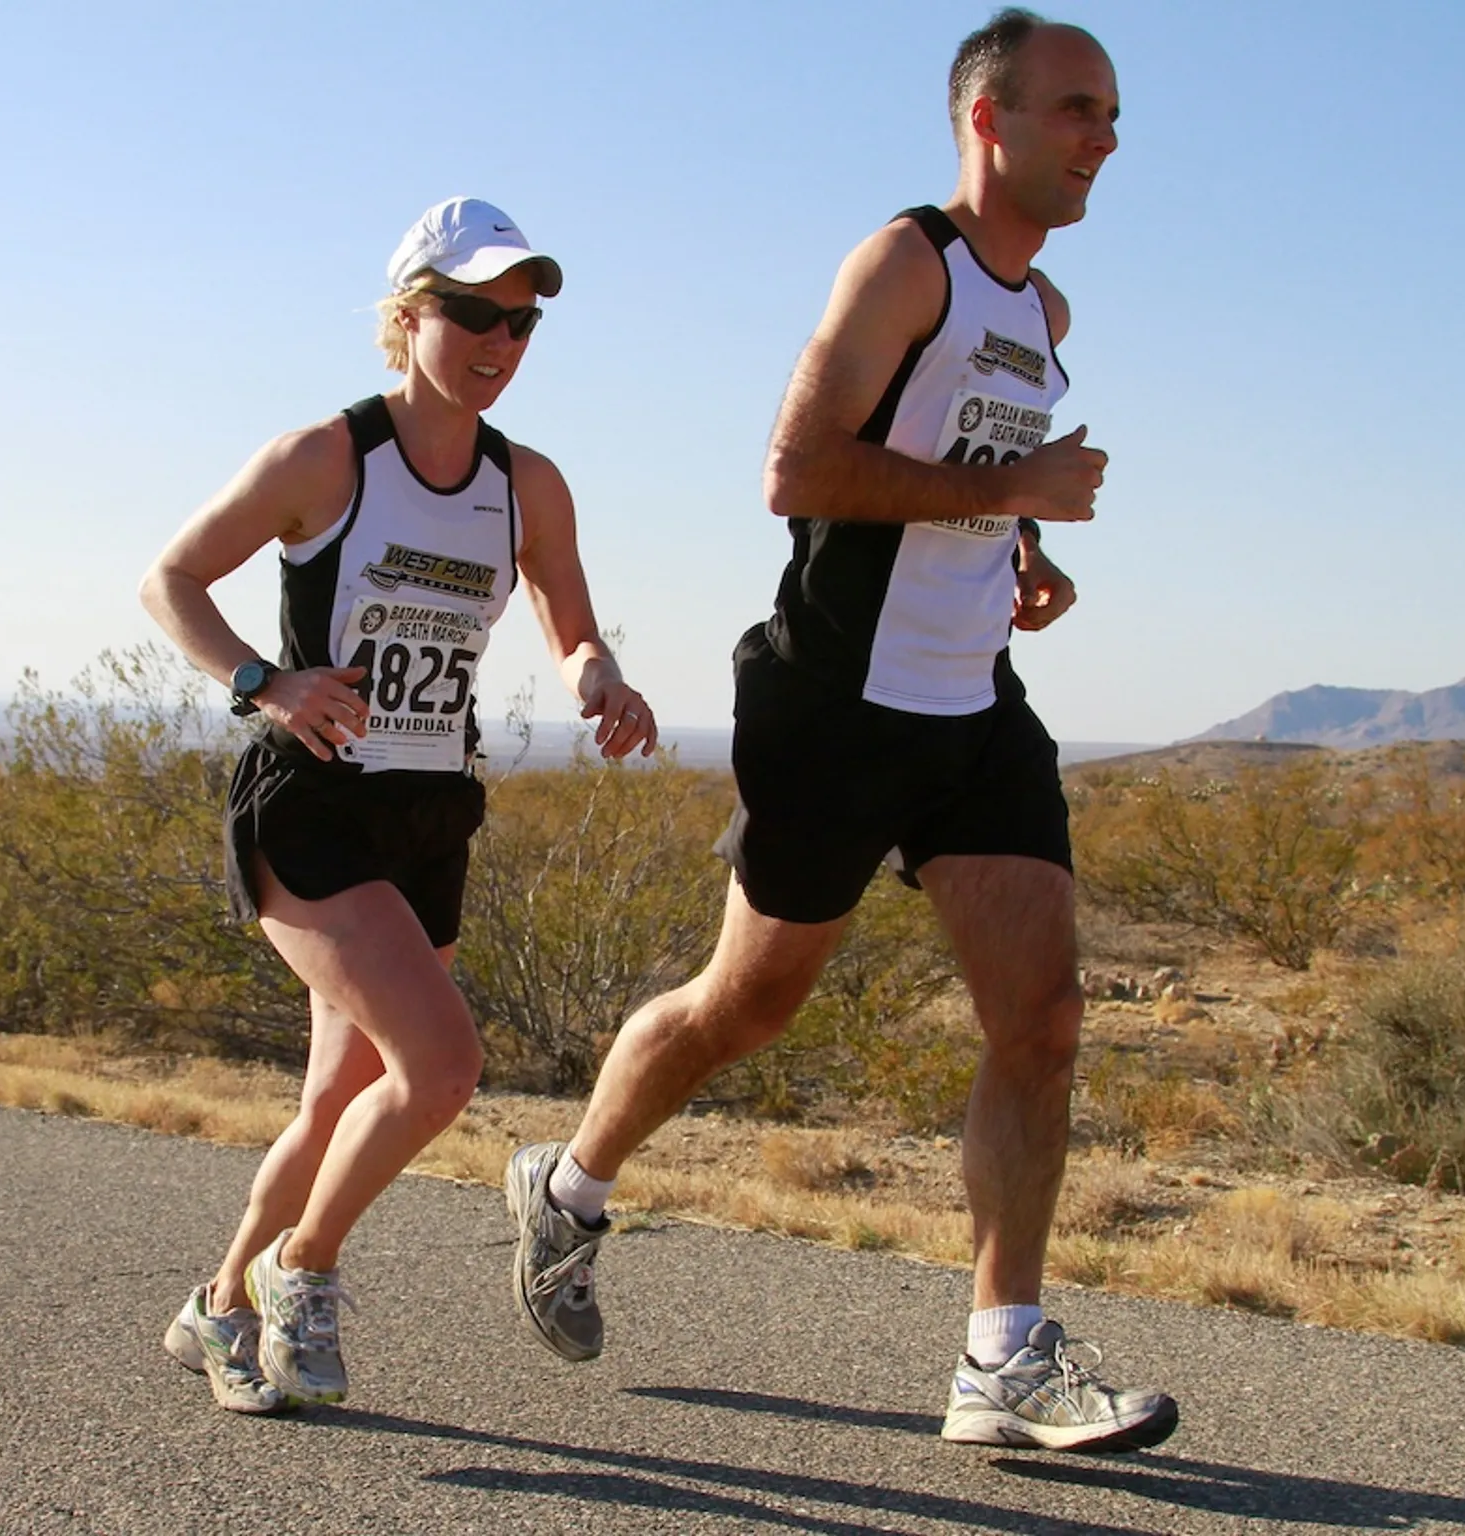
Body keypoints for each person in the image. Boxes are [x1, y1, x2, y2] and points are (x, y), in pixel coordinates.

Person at [505, 10, 1178, 1452]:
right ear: (987, 121)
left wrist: (1021, 552)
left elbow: (970, 477)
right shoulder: (907, 265)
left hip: (971, 710)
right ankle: (567, 1184)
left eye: (1113, 115)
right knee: (745, 1006)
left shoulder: (1045, 313)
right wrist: (1020, 493)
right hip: (834, 707)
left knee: (1045, 1019)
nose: (1105, 138)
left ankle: (1004, 1358)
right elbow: (797, 471)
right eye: (1078, 109)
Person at [143, 196, 657, 1413]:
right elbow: (171, 580)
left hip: (429, 814)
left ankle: (217, 1307)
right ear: (409, 312)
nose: (501, 340)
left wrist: (601, 677)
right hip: (312, 806)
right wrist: (265, 683)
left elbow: (569, 621)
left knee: (336, 1101)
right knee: (439, 1068)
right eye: (475, 312)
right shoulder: (328, 456)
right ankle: (299, 1275)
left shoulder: (526, 483)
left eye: (522, 322)